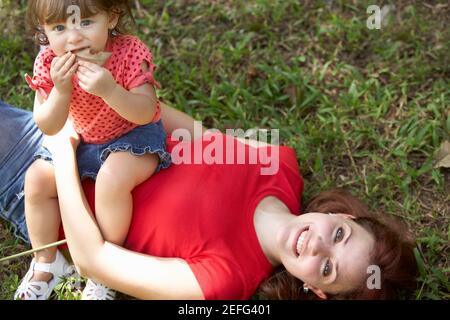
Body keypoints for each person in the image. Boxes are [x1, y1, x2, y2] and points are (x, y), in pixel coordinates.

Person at [0, 100, 418, 300]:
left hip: (42, 185)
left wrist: (59, 154)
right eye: (340, 234)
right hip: (89, 131)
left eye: (328, 268)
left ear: (315, 289)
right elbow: (186, 129)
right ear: (338, 215)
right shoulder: (279, 164)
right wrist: (112, 108)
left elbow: (94, 260)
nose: (319, 244)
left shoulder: (223, 280)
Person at [18, 0, 171, 299]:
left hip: (135, 136)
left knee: (111, 180)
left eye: (86, 23)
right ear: (45, 32)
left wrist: (110, 90)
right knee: (36, 179)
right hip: (85, 140)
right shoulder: (50, 62)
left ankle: (107, 267)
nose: (73, 38)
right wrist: (61, 91)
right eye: (60, 28)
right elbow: (47, 125)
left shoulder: (129, 52)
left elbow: (146, 109)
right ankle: (47, 262)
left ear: (112, 18)